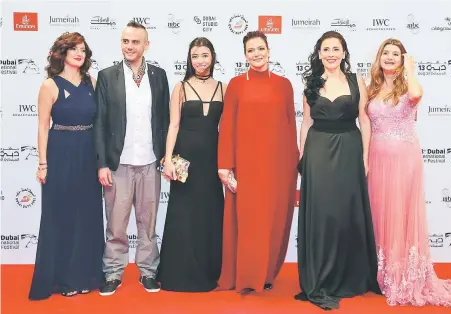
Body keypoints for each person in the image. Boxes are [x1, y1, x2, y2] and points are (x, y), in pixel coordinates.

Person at [366, 38, 451, 308]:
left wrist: (411, 71)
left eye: (396, 54)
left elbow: (415, 95)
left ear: (403, 60)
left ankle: (403, 276)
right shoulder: (372, 88)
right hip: (377, 159)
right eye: (386, 53)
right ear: (378, 58)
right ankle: (380, 273)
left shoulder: (409, 86)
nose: (390, 58)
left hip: (405, 160)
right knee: (380, 213)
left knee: (400, 214)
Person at [296, 31, 381, 310]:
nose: (331, 53)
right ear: (319, 53)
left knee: (346, 210)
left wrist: (366, 156)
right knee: (323, 213)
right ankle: (322, 275)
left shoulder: (357, 81)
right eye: (326, 49)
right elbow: (307, 123)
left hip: (349, 148)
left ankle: (349, 274)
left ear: (344, 52)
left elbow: (365, 122)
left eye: (336, 48)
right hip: (318, 150)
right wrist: (303, 155)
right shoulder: (310, 82)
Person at [217, 30, 299, 295]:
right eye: (251, 50)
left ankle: (267, 274)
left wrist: (294, 163)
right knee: (250, 221)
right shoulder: (236, 84)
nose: (257, 54)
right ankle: (248, 276)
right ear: (244, 55)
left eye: (260, 48)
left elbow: (290, 126)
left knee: (274, 220)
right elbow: (227, 126)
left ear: (269, 50)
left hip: (278, 164)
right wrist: (225, 165)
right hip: (246, 165)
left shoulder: (284, 84)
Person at [94, 21, 170, 296]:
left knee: (147, 223)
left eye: (135, 42)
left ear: (146, 45)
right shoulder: (106, 76)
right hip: (118, 163)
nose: (129, 46)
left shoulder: (159, 76)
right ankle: (113, 272)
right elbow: (100, 122)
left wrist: (166, 156)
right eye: (125, 41)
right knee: (116, 223)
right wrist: (102, 163)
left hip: (150, 161)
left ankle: (148, 272)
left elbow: (165, 119)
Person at [29, 32, 104, 300]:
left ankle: (85, 275)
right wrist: (42, 163)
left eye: (82, 49)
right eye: (73, 48)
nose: (79, 53)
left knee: (87, 216)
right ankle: (62, 279)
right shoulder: (50, 85)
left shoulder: (92, 82)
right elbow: (42, 127)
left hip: (88, 154)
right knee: (62, 217)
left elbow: (100, 124)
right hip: (61, 154)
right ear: (61, 53)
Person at [156, 37, 225, 292]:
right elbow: (173, 125)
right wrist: (168, 159)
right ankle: (178, 272)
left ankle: (208, 269)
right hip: (184, 159)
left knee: (209, 213)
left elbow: (227, 128)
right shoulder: (181, 88)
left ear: (212, 57)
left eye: (205, 55)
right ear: (189, 59)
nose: (200, 61)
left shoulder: (223, 87)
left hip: (212, 159)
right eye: (195, 56)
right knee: (183, 213)